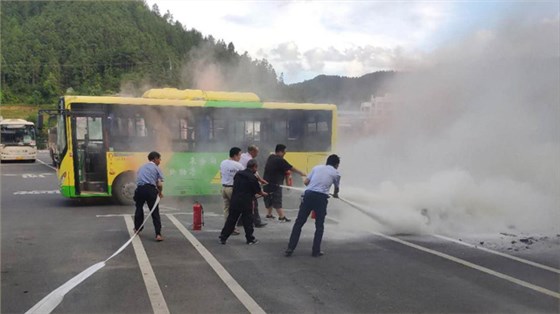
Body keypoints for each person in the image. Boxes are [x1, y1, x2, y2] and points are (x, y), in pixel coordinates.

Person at [285, 154, 341, 257]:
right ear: (336, 164)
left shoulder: (316, 167)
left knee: (299, 222)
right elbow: (336, 190)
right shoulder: (336, 174)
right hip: (321, 199)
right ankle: (316, 251)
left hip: (308, 195)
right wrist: (335, 194)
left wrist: (313, 185)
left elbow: (306, 182)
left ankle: (290, 248)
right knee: (319, 226)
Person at [219, 159, 268, 245]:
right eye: (256, 168)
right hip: (246, 202)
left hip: (235, 200)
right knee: (248, 221)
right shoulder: (253, 178)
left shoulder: (238, 174)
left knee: (231, 219)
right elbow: (259, 191)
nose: (256, 170)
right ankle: (250, 239)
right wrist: (265, 194)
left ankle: (223, 237)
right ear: (254, 167)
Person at [263, 144, 307, 222]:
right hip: (275, 184)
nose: (285, 153)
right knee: (277, 199)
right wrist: (301, 173)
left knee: (269, 198)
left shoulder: (271, 157)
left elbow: (285, 169)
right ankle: (282, 217)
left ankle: (269, 215)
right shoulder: (280, 160)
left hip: (266, 182)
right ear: (280, 151)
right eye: (284, 152)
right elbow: (290, 167)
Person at [133, 151, 165, 242]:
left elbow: (138, 178)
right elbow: (159, 184)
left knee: (139, 208)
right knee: (155, 212)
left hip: (140, 190)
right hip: (150, 190)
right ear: (155, 159)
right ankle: (158, 234)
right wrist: (160, 192)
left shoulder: (141, 167)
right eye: (159, 159)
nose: (160, 161)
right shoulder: (156, 168)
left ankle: (137, 229)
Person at [239, 145, 268, 228]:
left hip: (241, 182)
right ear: (252, 151)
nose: (257, 153)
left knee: (243, 203)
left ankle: (240, 221)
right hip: (248, 183)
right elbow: (255, 172)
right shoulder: (250, 160)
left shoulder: (243, 156)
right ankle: (257, 222)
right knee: (253, 202)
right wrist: (261, 180)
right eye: (257, 152)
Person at [220, 147, 244, 235]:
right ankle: (232, 228)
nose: (240, 157)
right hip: (233, 189)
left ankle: (227, 227)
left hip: (224, 188)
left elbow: (221, 174)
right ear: (235, 155)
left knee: (226, 209)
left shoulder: (223, 163)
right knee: (235, 209)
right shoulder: (238, 165)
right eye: (239, 155)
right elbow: (245, 176)